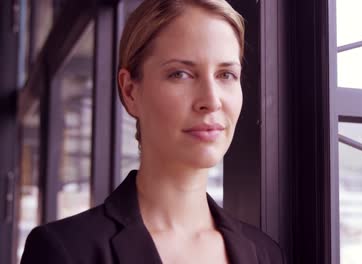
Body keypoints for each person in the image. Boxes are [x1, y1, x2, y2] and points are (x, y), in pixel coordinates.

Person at [20, 0, 284, 263]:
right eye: (181, 74)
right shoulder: (65, 251)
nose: (211, 100)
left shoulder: (265, 254)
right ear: (130, 91)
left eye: (226, 75)